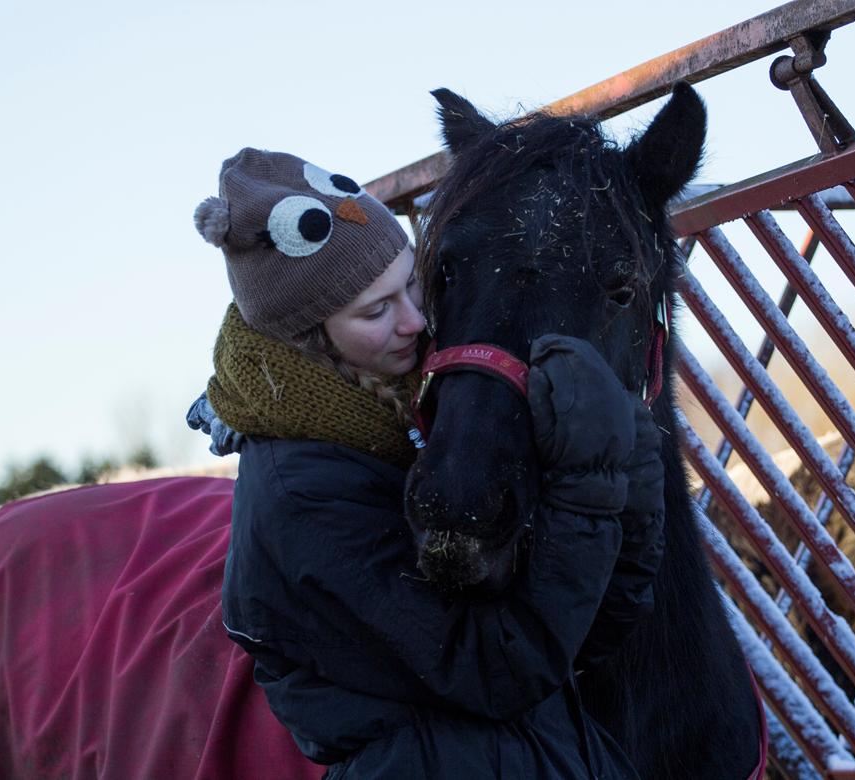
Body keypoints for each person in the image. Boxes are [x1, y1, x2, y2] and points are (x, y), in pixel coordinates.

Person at [190, 148, 665, 778]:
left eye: (412, 284)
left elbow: (576, 634)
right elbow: (498, 669)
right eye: (375, 310)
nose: (415, 322)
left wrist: (625, 454)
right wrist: (588, 482)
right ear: (309, 337)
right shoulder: (302, 496)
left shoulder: (409, 417)